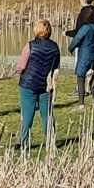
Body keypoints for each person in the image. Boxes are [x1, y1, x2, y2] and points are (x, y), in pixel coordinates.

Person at [16, 19, 60, 147]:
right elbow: (56, 67)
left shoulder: (30, 45)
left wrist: (17, 71)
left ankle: (23, 142)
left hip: (28, 84)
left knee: (27, 115)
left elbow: (21, 66)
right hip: (46, 85)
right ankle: (51, 141)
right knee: (47, 115)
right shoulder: (55, 47)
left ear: (37, 30)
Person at [68, 6, 94, 108]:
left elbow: (77, 39)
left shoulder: (86, 28)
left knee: (81, 77)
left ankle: (81, 103)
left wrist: (71, 48)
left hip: (85, 55)